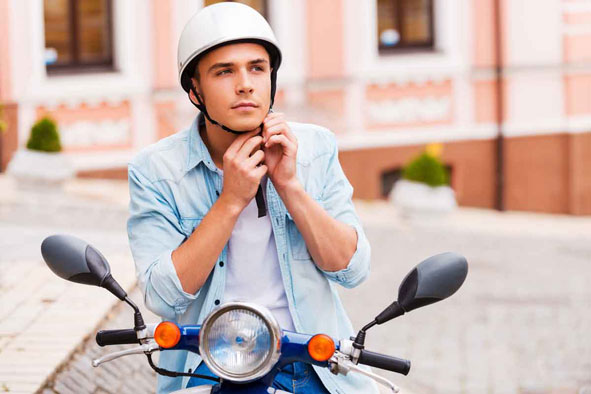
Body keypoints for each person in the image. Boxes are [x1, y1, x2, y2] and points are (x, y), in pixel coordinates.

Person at [127, 3, 378, 393]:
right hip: (208, 366)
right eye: (224, 71)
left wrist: (290, 186)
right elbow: (162, 297)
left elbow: (352, 269)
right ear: (195, 88)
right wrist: (230, 201)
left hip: (312, 363)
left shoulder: (315, 147)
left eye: (257, 68)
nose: (245, 84)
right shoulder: (156, 169)